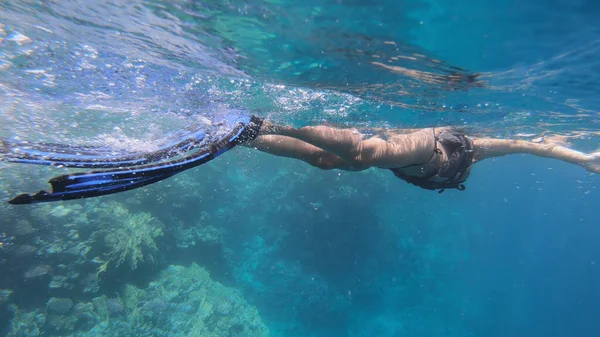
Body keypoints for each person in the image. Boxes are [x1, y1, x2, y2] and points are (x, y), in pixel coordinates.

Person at [2, 114, 599, 204]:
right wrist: (586, 161)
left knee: (333, 163)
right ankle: (268, 123)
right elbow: (533, 144)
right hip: (417, 144)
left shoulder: (456, 173)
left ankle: (247, 135)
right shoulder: (470, 149)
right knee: (364, 154)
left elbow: (532, 146)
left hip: (404, 157)